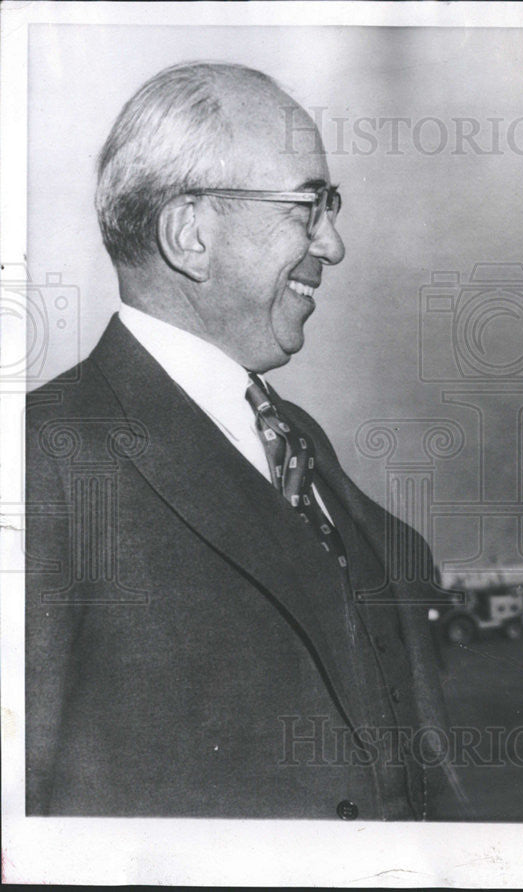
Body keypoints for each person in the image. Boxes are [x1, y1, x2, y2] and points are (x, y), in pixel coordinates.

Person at [26, 62, 456, 819]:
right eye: (308, 206)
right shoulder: (42, 460)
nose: (335, 243)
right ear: (191, 234)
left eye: (333, 206)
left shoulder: (295, 435)